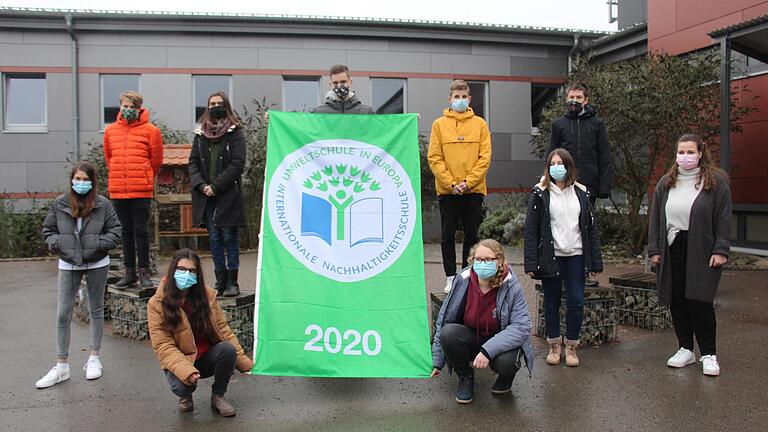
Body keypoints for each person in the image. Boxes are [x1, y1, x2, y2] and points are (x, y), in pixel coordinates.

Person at [648, 134, 731, 377]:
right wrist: (654, 249)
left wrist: (721, 249)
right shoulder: (666, 182)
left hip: (702, 249)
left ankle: (708, 354)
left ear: (700, 153)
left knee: (700, 300)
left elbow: (724, 217)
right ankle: (685, 348)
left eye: (689, 152)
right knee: (677, 300)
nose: (685, 156)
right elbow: (655, 217)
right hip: (672, 246)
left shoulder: (715, 182)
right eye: (680, 152)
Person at [37, 161, 122, 388]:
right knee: (62, 313)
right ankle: (61, 365)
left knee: (96, 309)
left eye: (86, 180)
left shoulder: (103, 204)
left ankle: (94, 357)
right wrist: (59, 244)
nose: (81, 183)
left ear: (92, 182)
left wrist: (99, 245)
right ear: (71, 180)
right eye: (77, 179)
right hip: (68, 262)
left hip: (96, 261)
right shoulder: (60, 203)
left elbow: (115, 230)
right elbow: (48, 230)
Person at [147, 249, 254, 416]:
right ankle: (185, 396)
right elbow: (163, 346)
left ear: (197, 275)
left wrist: (244, 362)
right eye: (182, 269)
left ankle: (218, 396)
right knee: (182, 385)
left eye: (192, 271)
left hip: (205, 357)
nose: (186, 274)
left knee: (227, 349)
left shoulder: (206, 296)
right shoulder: (157, 303)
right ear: (173, 270)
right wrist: (186, 371)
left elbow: (223, 330)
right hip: (180, 359)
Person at [523, 148, 603, 367]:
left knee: (576, 301)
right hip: (552, 257)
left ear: (569, 166)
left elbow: (591, 230)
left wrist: (595, 261)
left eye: (560, 163)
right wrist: (531, 261)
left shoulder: (582, 193)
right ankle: (554, 345)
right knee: (551, 302)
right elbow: (531, 231)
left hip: (576, 256)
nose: (556, 167)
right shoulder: (540, 193)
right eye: (552, 163)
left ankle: (572, 347)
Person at [431, 239, 533, 404]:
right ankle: (465, 376)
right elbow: (444, 319)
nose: (482, 263)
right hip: (471, 336)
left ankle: (506, 377)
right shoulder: (462, 279)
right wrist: (437, 361)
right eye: (478, 259)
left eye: (488, 259)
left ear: (499, 261)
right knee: (448, 333)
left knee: (507, 363)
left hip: (500, 342)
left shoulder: (511, 284)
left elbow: (521, 327)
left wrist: (487, 351)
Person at [427, 79, 492, 293]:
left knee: (472, 235)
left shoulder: (480, 124)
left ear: (470, 99)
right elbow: (435, 157)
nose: (460, 100)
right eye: (457, 97)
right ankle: (450, 277)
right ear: (450, 99)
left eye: (464, 97)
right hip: (448, 191)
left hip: (472, 190)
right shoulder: (439, 125)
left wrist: (468, 182)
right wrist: (451, 183)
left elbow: (485, 157)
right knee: (448, 235)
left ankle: (467, 275)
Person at [547, 83, 611, 286]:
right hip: (564, 185)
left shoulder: (597, 125)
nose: (574, 101)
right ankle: (562, 271)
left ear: (586, 100)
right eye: (571, 97)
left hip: (589, 186)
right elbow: (551, 155)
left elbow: (605, 156)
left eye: (578, 97)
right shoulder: (559, 124)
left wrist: (604, 187)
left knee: (585, 228)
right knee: (564, 226)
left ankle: (585, 271)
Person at [103, 90, 164, 289]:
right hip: (119, 189)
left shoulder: (151, 130)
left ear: (139, 108)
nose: (128, 110)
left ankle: (144, 271)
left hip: (141, 189)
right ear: (120, 107)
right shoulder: (111, 131)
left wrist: (145, 176)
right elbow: (109, 157)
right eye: (125, 106)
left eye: (132, 107)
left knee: (141, 231)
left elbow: (156, 161)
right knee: (125, 232)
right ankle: (129, 272)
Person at [188, 91, 246, 297]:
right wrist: (201, 185)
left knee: (229, 237)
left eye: (220, 103)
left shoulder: (235, 132)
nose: (216, 107)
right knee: (214, 238)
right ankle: (220, 281)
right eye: (212, 104)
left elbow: (238, 163)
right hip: (206, 197)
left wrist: (217, 186)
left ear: (226, 106)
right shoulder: (200, 134)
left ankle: (233, 282)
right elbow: (193, 162)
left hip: (228, 195)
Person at [310, 64, 375, 114]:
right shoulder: (318, 113)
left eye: (343, 82)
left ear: (350, 82)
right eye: (335, 83)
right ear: (330, 85)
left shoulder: (366, 112)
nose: (339, 86)